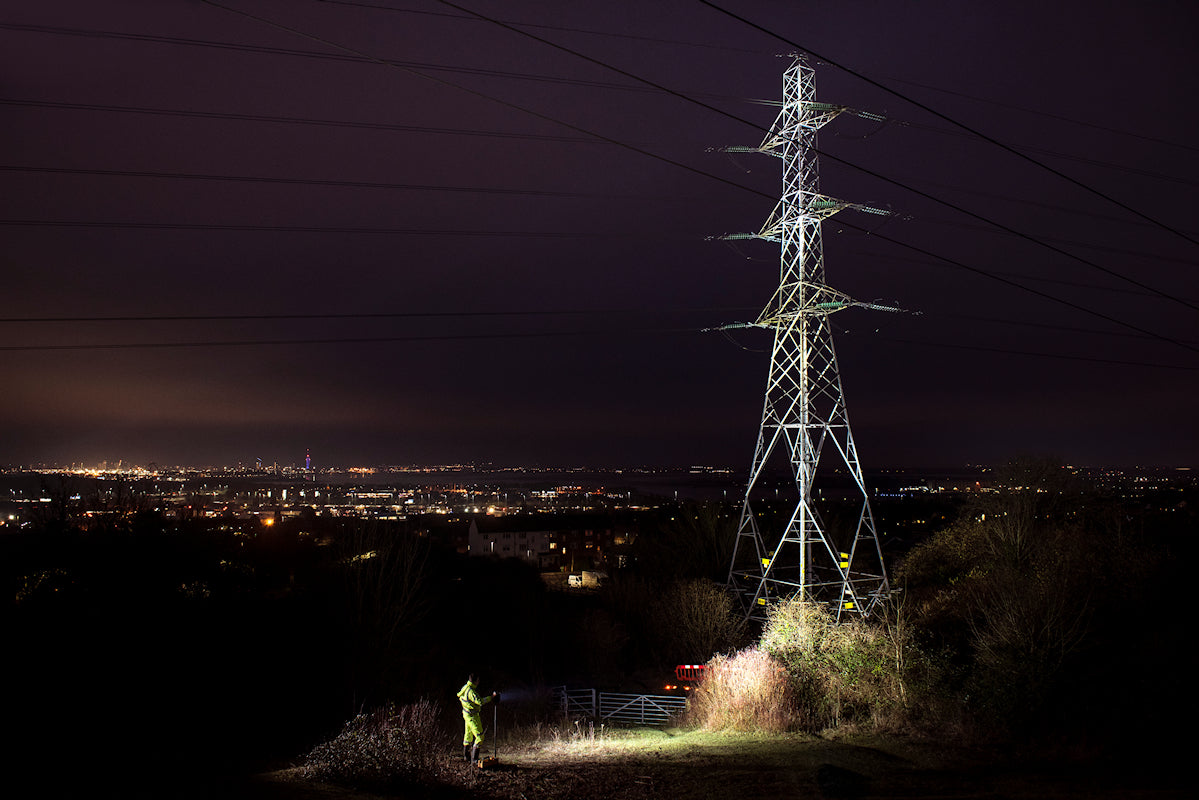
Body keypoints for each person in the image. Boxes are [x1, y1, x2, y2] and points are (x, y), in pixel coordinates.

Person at [456, 673, 496, 763]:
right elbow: (480, 701)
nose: (479, 682)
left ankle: (467, 757)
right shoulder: (471, 692)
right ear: (475, 681)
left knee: (468, 736)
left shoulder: (465, 687)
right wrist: (491, 698)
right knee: (480, 737)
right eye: (478, 680)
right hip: (472, 716)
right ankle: (474, 759)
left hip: (466, 715)